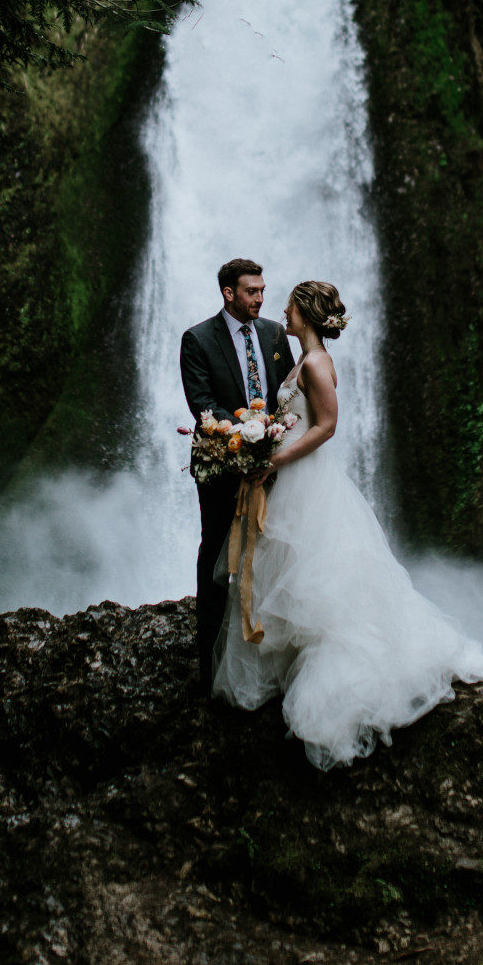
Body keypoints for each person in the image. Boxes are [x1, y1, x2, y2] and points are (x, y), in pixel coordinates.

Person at [211, 278, 483, 767]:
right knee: (284, 576)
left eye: (288, 309)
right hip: (289, 483)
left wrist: (275, 460)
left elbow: (327, 427)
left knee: (316, 581)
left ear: (305, 313)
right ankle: (286, 668)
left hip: (307, 484)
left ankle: (334, 678)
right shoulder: (303, 361)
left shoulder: (318, 363)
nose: (282, 315)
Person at [180, 259, 297, 695]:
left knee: (272, 553)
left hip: (272, 465)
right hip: (221, 465)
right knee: (216, 555)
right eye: (252, 291)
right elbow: (202, 403)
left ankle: (268, 662)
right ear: (229, 293)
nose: (261, 299)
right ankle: (209, 666)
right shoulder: (197, 339)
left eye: (263, 290)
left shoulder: (272, 333)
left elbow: (287, 390)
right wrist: (251, 433)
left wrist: (275, 438)